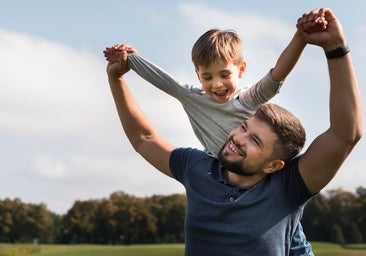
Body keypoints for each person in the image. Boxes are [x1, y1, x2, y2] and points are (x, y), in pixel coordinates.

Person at [105, 7, 362, 256]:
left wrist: (335, 47)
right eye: (243, 127)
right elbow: (144, 138)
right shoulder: (196, 168)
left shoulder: (289, 187)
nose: (238, 139)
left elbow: (344, 134)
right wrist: (117, 79)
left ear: (275, 165)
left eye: (255, 141)